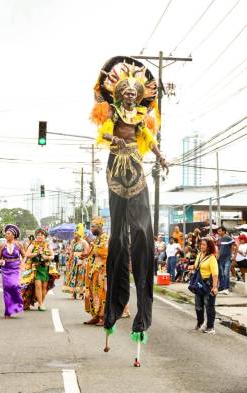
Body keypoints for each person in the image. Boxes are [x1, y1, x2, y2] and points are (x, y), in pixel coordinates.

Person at [90, 56, 168, 340]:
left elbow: (150, 139)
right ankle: (115, 304)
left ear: (138, 95)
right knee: (119, 238)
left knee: (141, 232)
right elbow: (104, 135)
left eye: (135, 92)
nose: (131, 95)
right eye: (127, 92)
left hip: (135, 168)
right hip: (115, 169)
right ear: (121, 94)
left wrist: (161, 157)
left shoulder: (140, 118)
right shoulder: (112, 114)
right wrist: (115, 141)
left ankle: (143, 311)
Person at [21, 228, 59, 311]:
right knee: (38, 285)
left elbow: (53, 256)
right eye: (38, 235)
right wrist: (36, 253)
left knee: (44, 286)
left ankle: (40, 302)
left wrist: (46, 257)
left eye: (41, 235)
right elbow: (27, 254)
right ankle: (41, 304)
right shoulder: (33, 244)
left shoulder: (48, 245)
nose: (39, 236)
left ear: (45, 236)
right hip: (35, 268)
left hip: (45, 268)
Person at [84, 217, 108, 327]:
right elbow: (93, 251)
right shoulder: (97, 238)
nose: (91, 229)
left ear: (99, 227)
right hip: (94, 270)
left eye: (93, 227)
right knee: (93, 293)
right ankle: (96, 316)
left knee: (101, 293)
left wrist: (92, 245)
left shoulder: (105, 238)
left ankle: (103, 317)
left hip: (102, 271)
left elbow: (103, 251)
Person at [0, 225, 25, 318]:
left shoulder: (19, 244)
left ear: (13, 235)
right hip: (5, 269)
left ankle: (17, 305)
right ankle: (8, 312)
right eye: (6, 233)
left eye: (8, 234)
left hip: (15, 268)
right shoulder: (2, 245)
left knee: (15, 285)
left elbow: (24, 256)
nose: (6, 235)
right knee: (7, 289)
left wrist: (22, 264)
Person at [194, 238, 218, 334]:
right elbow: (197, 266)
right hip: (199, 283)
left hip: (209, 284)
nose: (202, 246)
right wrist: (192, 267)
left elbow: (215, 273)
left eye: (204, 245)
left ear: (208, 247)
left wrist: (215, 287)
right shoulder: (199, 255)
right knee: (198, 305)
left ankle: (210, 327)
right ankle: (200, 322)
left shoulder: (212, 258)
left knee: (209, 305)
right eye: (201, 244)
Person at [62, 224, 89, 299]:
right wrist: (68, 262)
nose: (74, 235)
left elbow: (86, 253)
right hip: (73, 261)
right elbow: (71, 252)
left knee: (80, 277)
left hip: (80, 260)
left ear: (79, 234)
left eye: (75, 233)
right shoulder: (73, 242)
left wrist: (83, 261)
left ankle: (81, 293)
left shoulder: (84, 242)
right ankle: (73, 292)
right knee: (73, 276)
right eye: (74, 233)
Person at [217, 226, 234, 295]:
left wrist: (233, 256)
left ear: (224, 231)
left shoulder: (229, 238)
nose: (218, 232)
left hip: (227, 258)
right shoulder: (219, 239)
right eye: (218, 231)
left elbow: (235, 246)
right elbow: (219, 249)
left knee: (226, 273)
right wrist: (217, 256)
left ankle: (226, 288)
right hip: (220, 258)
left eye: (220, 231)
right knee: (221, 274)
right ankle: (221, 288)